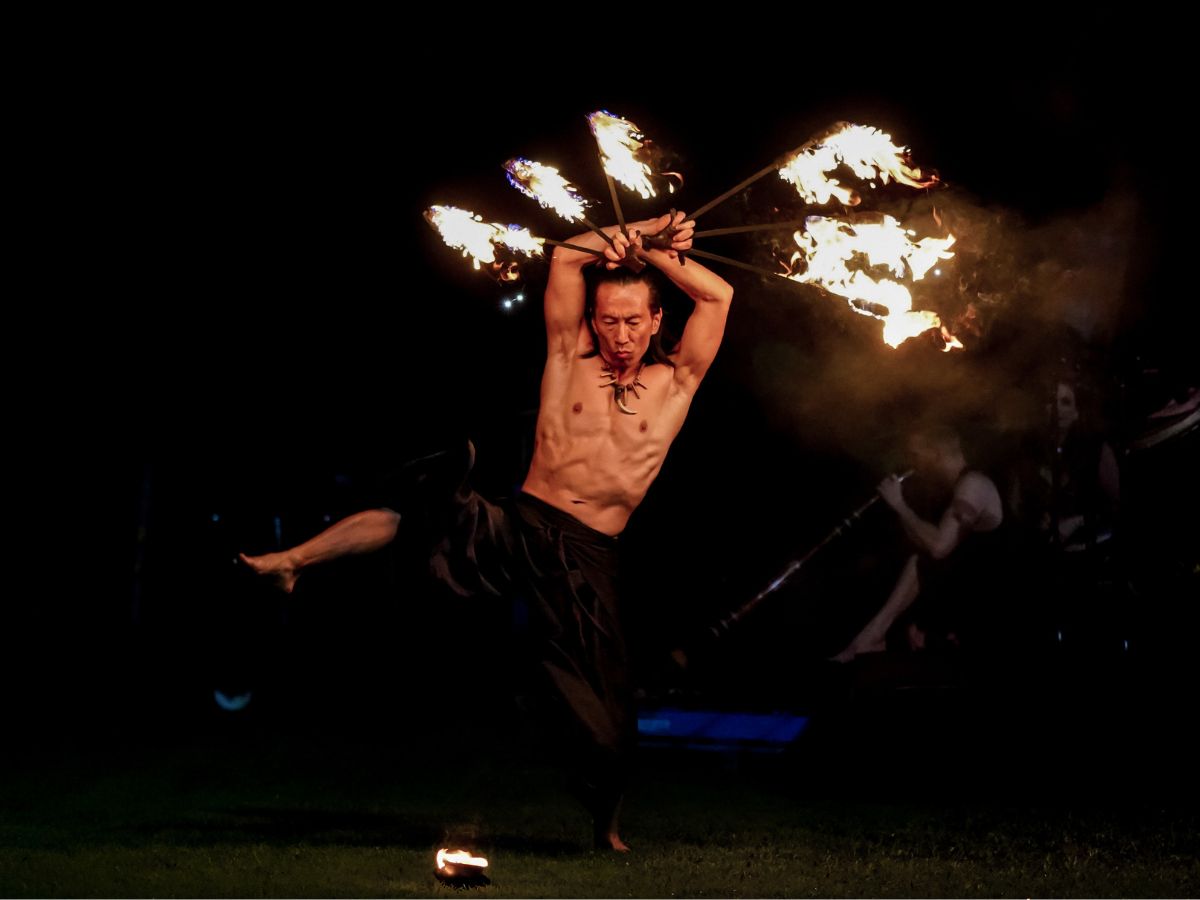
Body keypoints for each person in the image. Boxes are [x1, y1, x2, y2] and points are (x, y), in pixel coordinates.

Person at [239, 212, 734, 850]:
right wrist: (631, 230)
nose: (620, 334)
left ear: (657, 320)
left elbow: (719, 295)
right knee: (426, 501)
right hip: (521, 520)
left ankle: (604, 826)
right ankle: (294, 560)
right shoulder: (567, 356)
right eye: (607, 319)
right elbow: (563, 259)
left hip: (586, 553)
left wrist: (659, 250)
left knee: (608, 714)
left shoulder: (677, 382)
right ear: (591, 320)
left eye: (634, 320)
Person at [832, 424, 1004, 663]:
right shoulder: (955, 490)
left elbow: (939, 547)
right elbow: (928, 544)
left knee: (921, 562)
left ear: (935, 454)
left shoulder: (973, 484)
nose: (912, 465)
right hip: (973, 596)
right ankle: (874, 637)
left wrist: (899, 504)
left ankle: (872, 637)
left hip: (1000, 600)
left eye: (915, 456)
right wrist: (901, 508)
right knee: (916, 560)